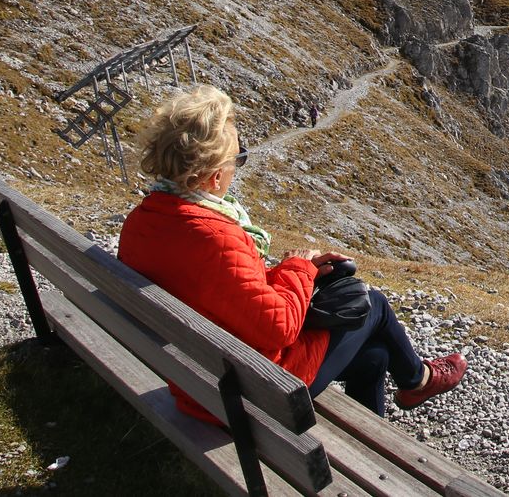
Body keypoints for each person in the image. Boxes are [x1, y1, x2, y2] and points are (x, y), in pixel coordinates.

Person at [117, 84, 466, 421]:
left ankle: (409, 387)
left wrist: (298, 270)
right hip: (250, 392)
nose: (237, 167)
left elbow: (218, 290)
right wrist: (298, 267)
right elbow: (278, 328)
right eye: (237, 157)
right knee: (372, 303)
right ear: (211, 176)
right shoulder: (213, 235)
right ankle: (418, 379)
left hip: (199, 378)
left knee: (375, 356)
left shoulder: (145, 220)